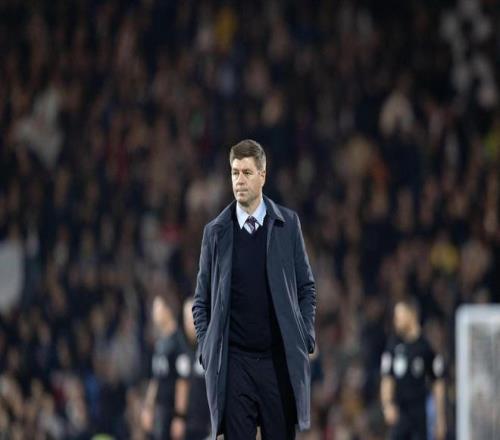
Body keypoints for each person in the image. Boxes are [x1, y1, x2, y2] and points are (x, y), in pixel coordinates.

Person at [192, 139, 316, 440]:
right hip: (235, 365)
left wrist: (305, 335)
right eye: (235, 173)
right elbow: (201, 302)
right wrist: (208, 348)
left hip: (277, 362)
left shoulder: (288, 225)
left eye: (247, 173)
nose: (239, 180)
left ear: (263, 175)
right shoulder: (215, 232)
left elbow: (306, 288)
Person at [380, 297, 446, 440]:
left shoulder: (426, 347)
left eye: (399, 315)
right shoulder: (393, 345)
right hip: (399, 414)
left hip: (419, 414)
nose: (396, 320)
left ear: (411, 315)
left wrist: (440, 419)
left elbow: (438, 382)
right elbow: (387, 378)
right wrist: (387, 405)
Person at [141, 295, 191, 440]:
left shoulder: (179, 342)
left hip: (171, 410)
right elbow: (156, 378)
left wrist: (179, 416)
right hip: (160, 410)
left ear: (168, 310)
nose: (154, 313)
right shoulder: (160, 343)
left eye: (157, 308)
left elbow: (182, 381)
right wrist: (148, 407)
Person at [182, 298, 211, 440]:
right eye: (186, 319)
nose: (189, 324)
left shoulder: (209, 348)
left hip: (208, 426)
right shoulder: (184, 349)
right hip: (190, 426)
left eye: (192, 318)